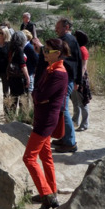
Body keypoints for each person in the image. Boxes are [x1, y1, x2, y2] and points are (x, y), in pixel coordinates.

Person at [23, 38, 69, 209]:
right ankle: (51, 190)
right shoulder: (51, 69)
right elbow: (38, 94)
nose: (44, 53)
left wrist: (39, 96)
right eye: (44, 50)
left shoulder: (58, 73)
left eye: (48, 51)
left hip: (46, 121)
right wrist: (39, 96)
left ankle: (46, 195)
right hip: (43, 118)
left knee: (29, 158)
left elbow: (39, 95)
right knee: (46, 156)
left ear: (57, 54)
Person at [34, 16, 82, 153]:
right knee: (61, 109)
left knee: (63, 110)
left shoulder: (67, 40)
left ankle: (70, 142)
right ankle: (64, 137)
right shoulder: (71, 40)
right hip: (67, 78)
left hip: (64, 79)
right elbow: (77, 61)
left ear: (66, 27)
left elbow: (58, 55)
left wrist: (42, 48)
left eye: (58, 27)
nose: (55, 30)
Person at [70, 30, 92, 132]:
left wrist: (78, 81)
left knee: (83, 102)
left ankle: (84, 124)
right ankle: (75, 120)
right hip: (75, 78)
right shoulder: (77, 48)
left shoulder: (82, 50)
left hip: (80, 79)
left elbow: (83, 67)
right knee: (75, 101)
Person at [5, 31, 30, 115]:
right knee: (22, 98)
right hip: (19, 77)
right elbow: (23, 64)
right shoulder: (19, 50)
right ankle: (22, 117)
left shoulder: (10, 49)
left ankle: (11, 116)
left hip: (12, 76)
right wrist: (27, 77)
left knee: (14, 97)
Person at [22, 29, 39, 95]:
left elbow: (36, 60)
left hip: (30, 72)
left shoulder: (29, 47)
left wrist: (34, 71)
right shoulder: (23, 47)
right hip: (24, 73)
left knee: (29, 93)